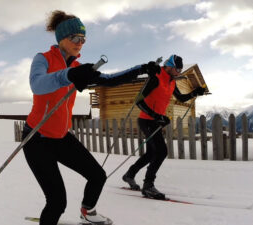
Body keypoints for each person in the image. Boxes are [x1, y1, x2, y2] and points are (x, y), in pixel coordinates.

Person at [22, 10, 160, 225]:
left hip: (61, 136)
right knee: (57, 201)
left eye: (83, 39)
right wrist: (67, 75)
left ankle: (88, 212)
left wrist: (140, 69)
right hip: (36, 138)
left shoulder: (79, 68)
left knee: (97, 175)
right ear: (62, 38)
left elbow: (108, 80)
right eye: (76, 38)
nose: (80, 43)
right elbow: (37, 84)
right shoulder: (43, 59)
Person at [122, 54, 206, 200]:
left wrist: (194, 93)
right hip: (147, 120)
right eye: (177, 69)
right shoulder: (156, 77)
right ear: (169, 66)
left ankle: (129, 175)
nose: (179, 72)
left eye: (180, 70)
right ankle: (148, 186)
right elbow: (139, 100)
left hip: (156, 121)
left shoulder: (172, 82)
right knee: (161, 152)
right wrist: (156, 116)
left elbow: (181, 98)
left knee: (151, 154)